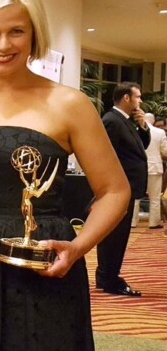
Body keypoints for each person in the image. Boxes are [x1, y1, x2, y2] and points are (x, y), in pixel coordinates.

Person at [0, 0, 128, 351]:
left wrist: (79, 245)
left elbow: (114, 190)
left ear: (34, 35)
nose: (3, 45)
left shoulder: (69, 104)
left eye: (16, 31)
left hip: (42, 262)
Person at [97, 81, 149, 296]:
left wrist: (143, 126)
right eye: (137, 97)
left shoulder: (125, 121)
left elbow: (140, 147)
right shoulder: (112, 120)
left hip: (126, 188)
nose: (140, 101)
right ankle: (109, 278)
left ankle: (108, 275)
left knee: (119, 235)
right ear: (126, 98)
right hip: (118, 188)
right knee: (114, 235)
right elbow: (106, 156)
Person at [131, 112, 167, 229]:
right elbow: (165, 151)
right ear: (153, 121)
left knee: (136, 196)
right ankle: (154, 222)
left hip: (137, 167)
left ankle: (133, 221)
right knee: (155, 197)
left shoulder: (133, 131)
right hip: (155, 167)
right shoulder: (160, 132)